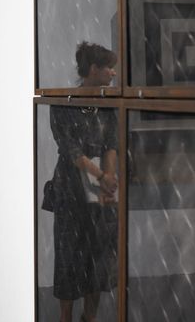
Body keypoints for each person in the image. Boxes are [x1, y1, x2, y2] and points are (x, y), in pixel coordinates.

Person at [49, 41, 118, 322]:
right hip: (70, 190)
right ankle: (65, 317)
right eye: (108, 67)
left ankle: (89, 318)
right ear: (93, 69)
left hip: (99, 190)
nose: (113, 73)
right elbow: (70, 149)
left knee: (98, 255)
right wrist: (101, 176)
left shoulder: (107, 106)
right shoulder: (62, 103)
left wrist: (109, 177)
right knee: (68, 255)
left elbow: (111, 143)